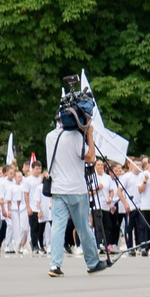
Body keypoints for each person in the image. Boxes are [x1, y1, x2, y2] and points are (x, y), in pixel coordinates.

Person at [40, 100, 110, 277]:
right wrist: (89, 135)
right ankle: (92, 263)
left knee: (57, 227)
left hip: (58, 189)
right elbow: (91, 158)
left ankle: (55, 265)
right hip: (77, 189)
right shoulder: (77, 138)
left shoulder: (50, 137)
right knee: (83, 227)